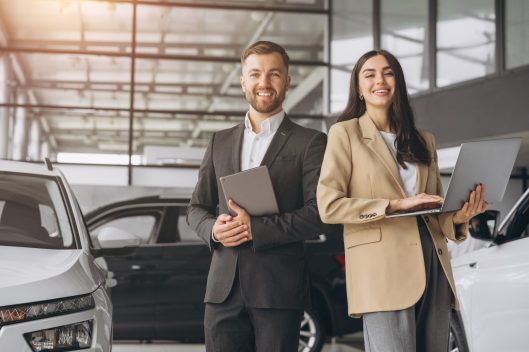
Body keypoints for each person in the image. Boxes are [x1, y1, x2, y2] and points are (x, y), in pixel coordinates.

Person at [316, 50, 488, 352]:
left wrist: (460, 217)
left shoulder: (423, 140)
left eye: (388, 72)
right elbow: (329, 205)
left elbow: (435, 209)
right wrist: (394, 205)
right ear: (358, 87)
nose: (379, 80)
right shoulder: (345, 134)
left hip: (431, 262)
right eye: (369, 74)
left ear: (398, 81)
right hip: (380, 269)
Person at [187, 41, 332, 352]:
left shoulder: (310, 143)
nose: (264, 83)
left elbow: (319, 214)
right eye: (255, 74)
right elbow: (196, 208)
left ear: (288, 81)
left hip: (278, 292)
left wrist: (258, 228)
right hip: (222, 292)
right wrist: (213, 229)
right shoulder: (219, 142)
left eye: (274, 74)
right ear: (243, 81)